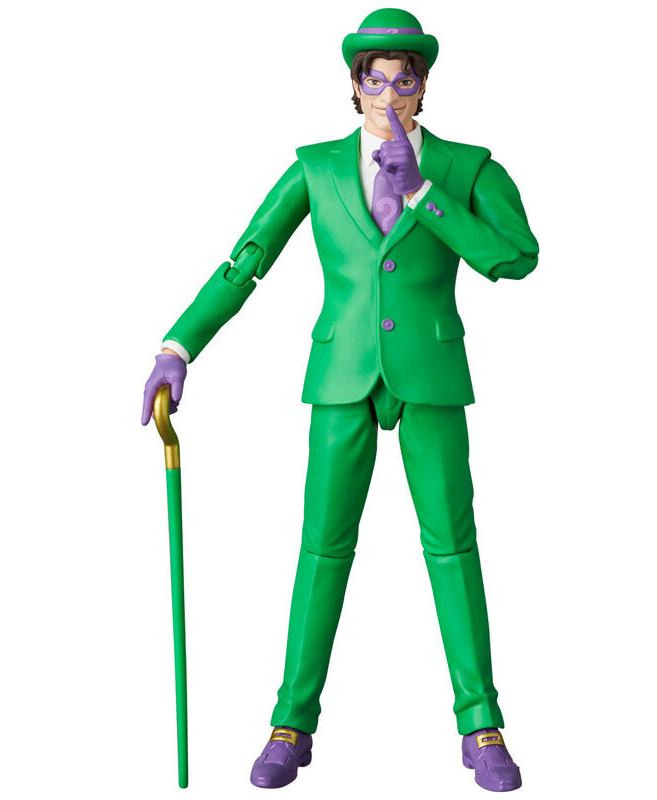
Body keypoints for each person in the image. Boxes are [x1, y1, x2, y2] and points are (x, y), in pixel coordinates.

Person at [142, 8, 538, 792]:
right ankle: (291, 722)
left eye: (404, 80)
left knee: (453, 547)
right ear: (354, 87)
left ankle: (481, 723)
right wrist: (179, 345)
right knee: (322, 549)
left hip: (429, 377)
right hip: (340, 377)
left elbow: (516, 256)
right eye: (375, 80)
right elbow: (246, 260)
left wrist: (424, 194)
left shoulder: (466, 167)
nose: (389, 94)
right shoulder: (317, 167)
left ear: (423, 87)